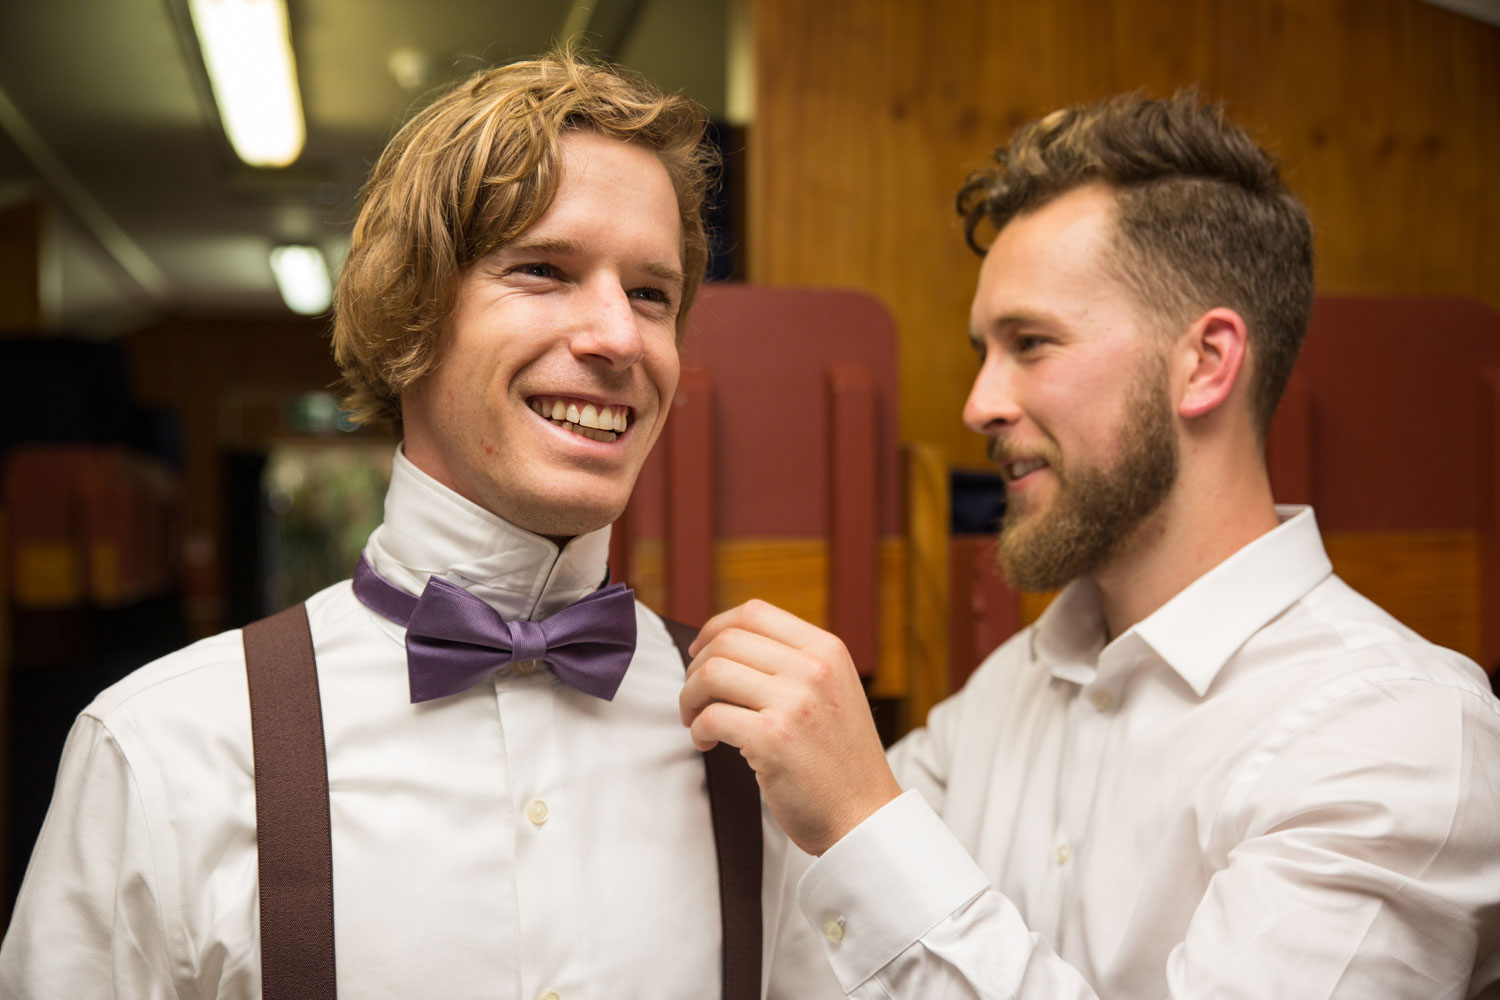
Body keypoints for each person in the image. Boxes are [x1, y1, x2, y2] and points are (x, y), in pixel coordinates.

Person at [0, 51, 841, 999]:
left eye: (651, 293)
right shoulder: (166, 748)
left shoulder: (765, 756)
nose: (617, 337)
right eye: (544, 270)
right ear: (410, 316)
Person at [680, 93, 1500, 997]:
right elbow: (821, 947)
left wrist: (862, 818)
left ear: (1205, 363)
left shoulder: (1397, 734)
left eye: (1031, 343)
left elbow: (872, 859)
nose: (978, 404)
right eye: (985, 351)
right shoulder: (1006, 693)